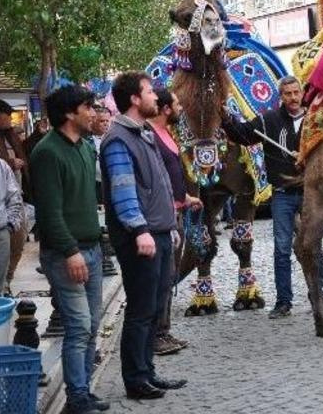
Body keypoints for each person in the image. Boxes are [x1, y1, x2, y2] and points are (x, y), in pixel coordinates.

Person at [101, 71, 185, 400]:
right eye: (149, 92)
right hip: (141, 236)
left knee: (152, 307)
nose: (155, 97)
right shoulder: (119, 138)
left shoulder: (143, 133)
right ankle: (135, 378)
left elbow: (159, 184)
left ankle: (147, 371)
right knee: (140, 309)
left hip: (158, 232)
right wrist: (140, 230)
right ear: (135, 99)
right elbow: (124, 192)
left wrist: (168, 226)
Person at [29, 85, 108, 414]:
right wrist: (71, 251)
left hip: (93, 247)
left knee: (91, 325)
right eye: (87, 107)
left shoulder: (87, 147)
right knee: (79, 327)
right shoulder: (47, 152)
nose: (94, 113)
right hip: (66, 255)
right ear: (68, 114)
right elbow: (49, 212)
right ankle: (76, 398)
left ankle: (84, 390)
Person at [221, 75, 323, 319]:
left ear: (301, 93)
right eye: (287, 94)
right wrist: (225, 117)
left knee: (315, 247)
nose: (293, 98)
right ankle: (283, 302)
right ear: (281, 97)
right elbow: (243, 134)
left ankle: (317, 296)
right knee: (281, 249)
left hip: (311, 194)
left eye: (296, 92)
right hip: (282, 194)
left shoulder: (315, 119)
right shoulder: (269, 121)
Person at [148, 87, 200, 354]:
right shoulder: (150, 137)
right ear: (165, 108)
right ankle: (155, 335)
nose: (180, 108)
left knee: (169, 277)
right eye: (177, 104)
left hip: (177, 212)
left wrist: (186, 197)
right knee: (161, 278)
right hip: (161, 218)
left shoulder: (168, 134)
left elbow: (172, 174)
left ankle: (164, 331)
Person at [0, 98, 28, 295]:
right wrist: (11, 162)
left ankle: (6, 281)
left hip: (3, 221)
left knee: (17, 244)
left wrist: (9, 223)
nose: (10, 119)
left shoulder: (10, 136)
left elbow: (13, 196)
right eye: (6, 115)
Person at [90, 106, 112, 203]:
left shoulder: (113, 139)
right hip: (93, 186)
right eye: (102, 121)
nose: (106, 124)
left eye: (108, 121)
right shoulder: (86, 140)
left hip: (110, 184)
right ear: (93, 121)